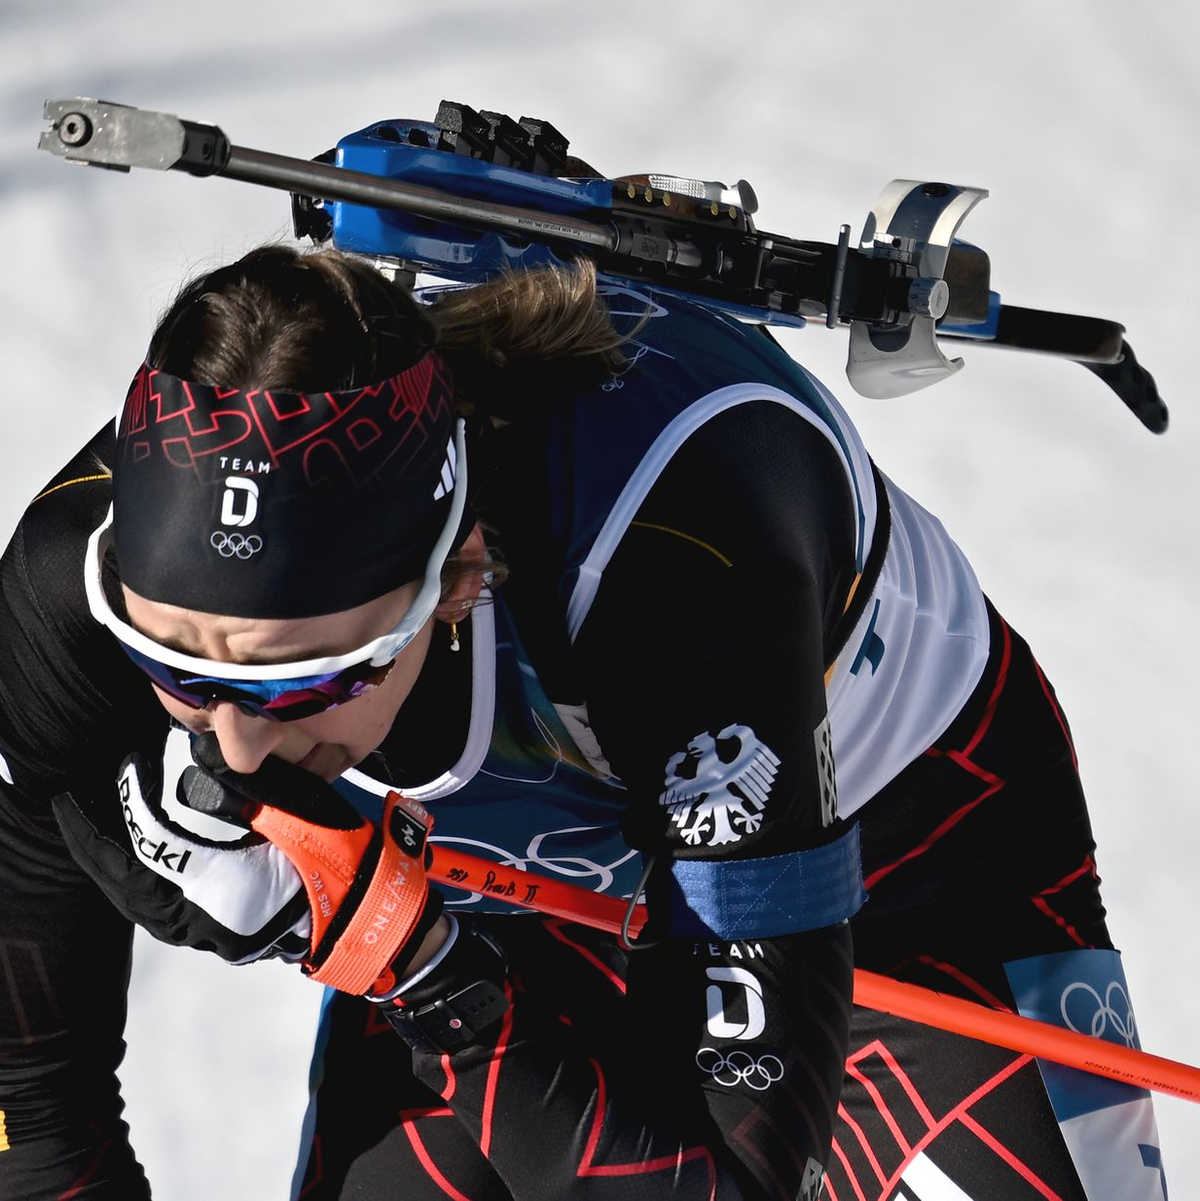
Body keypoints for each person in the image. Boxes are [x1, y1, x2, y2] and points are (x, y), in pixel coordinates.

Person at [0, 243, 1168, 1201]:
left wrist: (427, 975)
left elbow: (729, 1186)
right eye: (178, 672)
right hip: (510, 911)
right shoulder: (73, 569)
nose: (240, 751)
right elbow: (35, 1045)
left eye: (310, 678)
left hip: (901, 888)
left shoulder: (672, 579)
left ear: (457, 578)